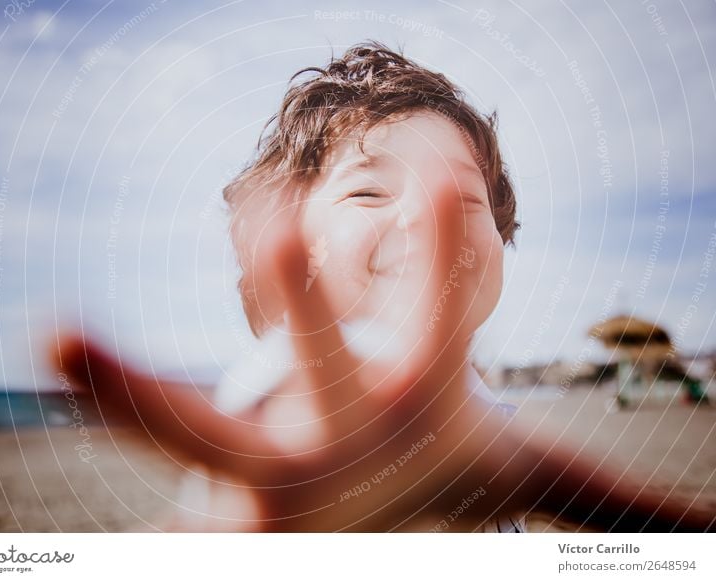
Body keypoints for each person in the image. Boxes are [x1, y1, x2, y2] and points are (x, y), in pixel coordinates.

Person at [53, 42, 714, 532]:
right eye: (369, 190)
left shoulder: (490, 423)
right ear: (298, 248)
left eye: (460, 201)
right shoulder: (301, 375)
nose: (419, 219)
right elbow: (285, 452)